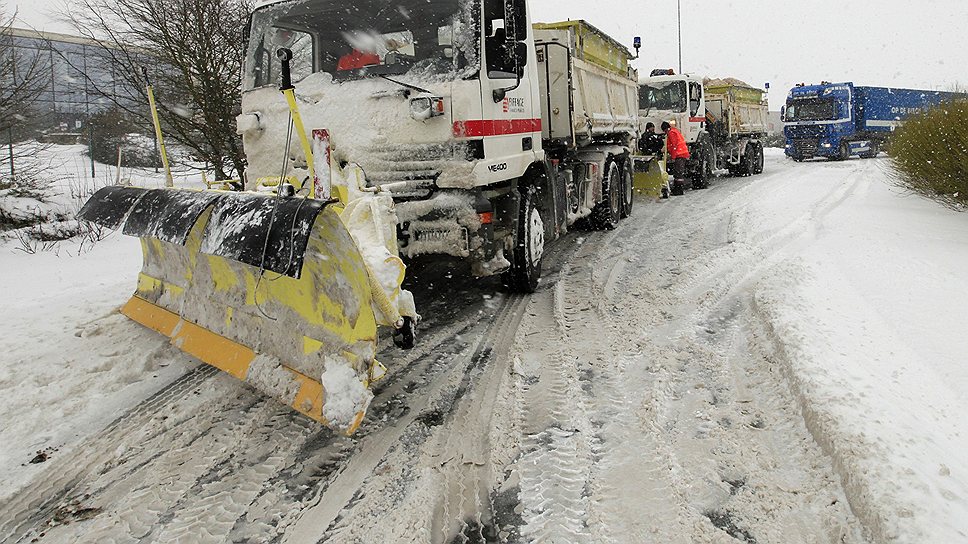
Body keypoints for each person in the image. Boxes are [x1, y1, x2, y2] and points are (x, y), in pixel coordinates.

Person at [662, 121, 690, 195]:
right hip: (682, 153)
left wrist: (673, 157)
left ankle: (678, 190)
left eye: (664, 131)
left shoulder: (671, 133)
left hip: (679, 154)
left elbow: (674, 146)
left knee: (678, 173)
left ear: (666, 129)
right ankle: (678, 189)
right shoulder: (674, 131)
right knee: (678, 172)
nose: (664, 133)